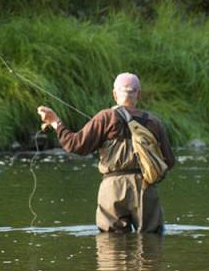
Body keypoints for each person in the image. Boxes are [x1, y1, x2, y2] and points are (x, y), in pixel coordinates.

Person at [36, 73, 175, 233]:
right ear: (139, 94)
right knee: (151, 240)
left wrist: (55, 122)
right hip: (145, 186)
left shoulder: (106, 117)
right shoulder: (153, 122)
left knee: (111, 245)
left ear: (115, 94)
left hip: (112, 187)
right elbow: (169, 161)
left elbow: (75, 145)